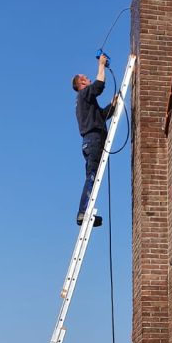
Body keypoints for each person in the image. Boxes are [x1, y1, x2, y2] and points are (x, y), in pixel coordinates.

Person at [72, 53, 117, 226]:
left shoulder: (86, 103)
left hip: (90, 141)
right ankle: (83, 211)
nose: (88, 78)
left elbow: (101, 116)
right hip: (93, 140)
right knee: (92, 177)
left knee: (92, 175)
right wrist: (101, 65)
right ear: (81, 84)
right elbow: (99, 85)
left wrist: (113, 106)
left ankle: (86, 211)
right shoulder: (83, 95)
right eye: (85, 78)